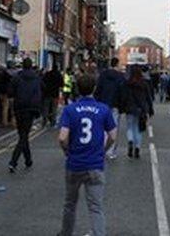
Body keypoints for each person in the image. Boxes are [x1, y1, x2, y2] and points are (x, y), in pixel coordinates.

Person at [58, 73, 117, 236]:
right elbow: (113, 135)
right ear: (95, 88)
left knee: (70, 204)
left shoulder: (70, 110)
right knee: (96, 207)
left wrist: (67, 152)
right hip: (95, 165)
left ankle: (65, 233)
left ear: (77, 89)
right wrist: (103, 151)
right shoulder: (103, 109)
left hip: (74, 164)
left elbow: (62, 137)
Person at [8, 57, 42, 172]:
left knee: (23, 134)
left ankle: (28, 160)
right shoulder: (37, 78)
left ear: (22, 65)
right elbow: (41, 91)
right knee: (24, 135)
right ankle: (14, 161)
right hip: (31, 110)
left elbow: (10, 93)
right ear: (31, 65)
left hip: (19, 109)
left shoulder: (16, 78)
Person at [96, 57, 126, 158]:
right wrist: (122, 106)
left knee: (103, 128)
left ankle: (101, 150)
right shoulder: (120, 76)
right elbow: (122, 92)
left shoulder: (103, 75)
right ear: (117, 64)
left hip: (103, 104)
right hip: (115, 105)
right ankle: (111, 151)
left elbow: (98, 89)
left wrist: (97, 101)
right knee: (113, 128)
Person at [122, 66, 154, 159]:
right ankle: (137, 148)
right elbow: (148, 98)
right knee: (138, 129)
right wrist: (150, 109)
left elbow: (124, 97)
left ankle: (130, 141)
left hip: (129, 109)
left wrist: (123, 107)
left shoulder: (127, 84)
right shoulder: (144, 84)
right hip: (141, 110)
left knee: (130, 128)